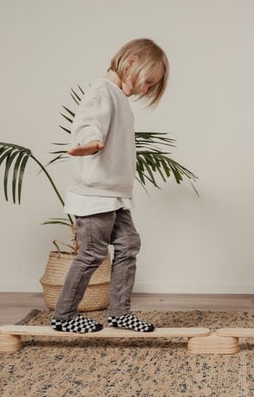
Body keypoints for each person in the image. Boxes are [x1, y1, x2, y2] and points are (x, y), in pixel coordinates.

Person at [51, 38, 169, 333]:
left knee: (129, 245)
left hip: (113, 196)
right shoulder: (102, 91)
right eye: (148, 81)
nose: (146, 89)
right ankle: (64, 316)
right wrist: (88, 142)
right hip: (94, 196)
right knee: (91, 253)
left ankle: (119, 313)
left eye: (152, 86)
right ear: (131, 62)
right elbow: (89, 121)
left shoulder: (118, 98)